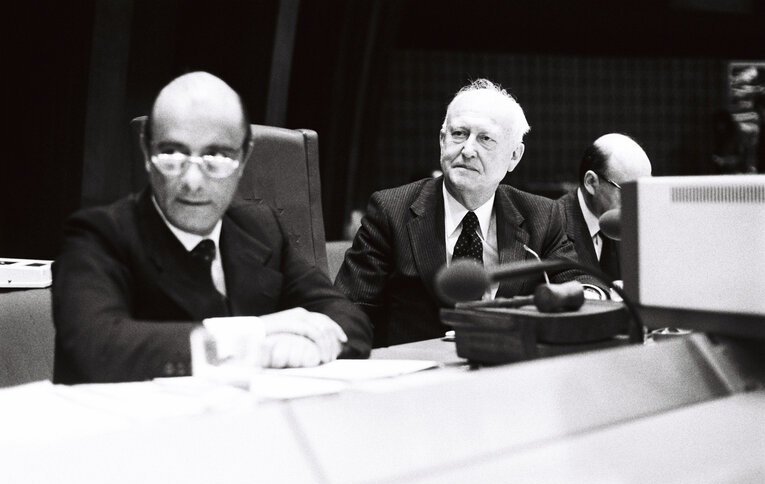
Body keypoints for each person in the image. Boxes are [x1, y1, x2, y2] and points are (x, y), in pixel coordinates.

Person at [52, 72, 371, 384]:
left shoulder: (260, 228)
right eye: (172, 154)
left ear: (245, 158)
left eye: (216, 156)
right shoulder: (97, 235)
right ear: (147, 153)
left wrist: (311, 343)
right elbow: (98, 347)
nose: (192, 182)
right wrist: (254, 338)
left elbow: (349, 319)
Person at [335, 78, 598, 348]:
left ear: (514, 156)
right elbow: (349, 308)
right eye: (459, 134)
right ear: (442, 140)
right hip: (420, 376)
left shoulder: (542, 215)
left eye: (485, 139)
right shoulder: (392, 210)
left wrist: (585, 296)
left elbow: (580, 284)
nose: (468, 150)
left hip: (511, 371)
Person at [557, 133, 652, 282]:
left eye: (643, 191)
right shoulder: (552, 227)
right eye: (628, 192)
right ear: (591, 182)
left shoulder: (635, 228)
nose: (638, 204)